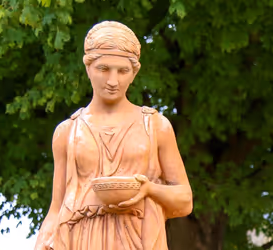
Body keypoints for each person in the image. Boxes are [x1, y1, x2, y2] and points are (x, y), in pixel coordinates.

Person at [34, 21, 193, 250]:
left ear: (134, 72)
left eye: (122, 71)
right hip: (81, 239)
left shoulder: (156, 126)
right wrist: (42, 242)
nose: (112, 81)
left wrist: (148, 189)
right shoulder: (67, 132)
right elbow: (56, 209)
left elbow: (185, 200)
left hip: (139, 238)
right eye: (103, 69)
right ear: (88, 67)